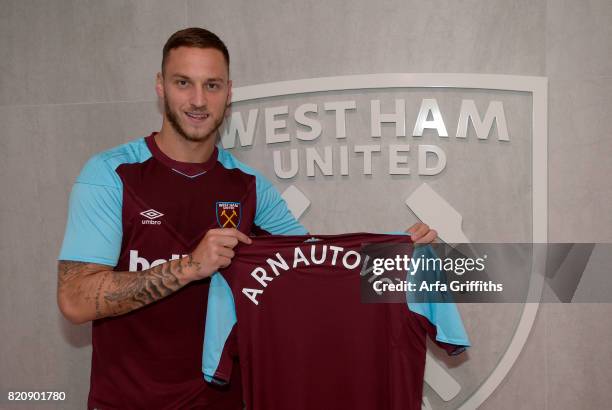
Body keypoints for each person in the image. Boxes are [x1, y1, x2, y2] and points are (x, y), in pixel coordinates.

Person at [57, 27, 438, 409]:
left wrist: (399, 258)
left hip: (224, 402)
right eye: (183, 82)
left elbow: (316, 268)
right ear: (160, 86)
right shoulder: (112, 175)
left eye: (212, 85)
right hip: (127, 402)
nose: (198, 100)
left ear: (229, 92)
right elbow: (74, 300)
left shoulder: (250, 187)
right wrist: (190, 267)